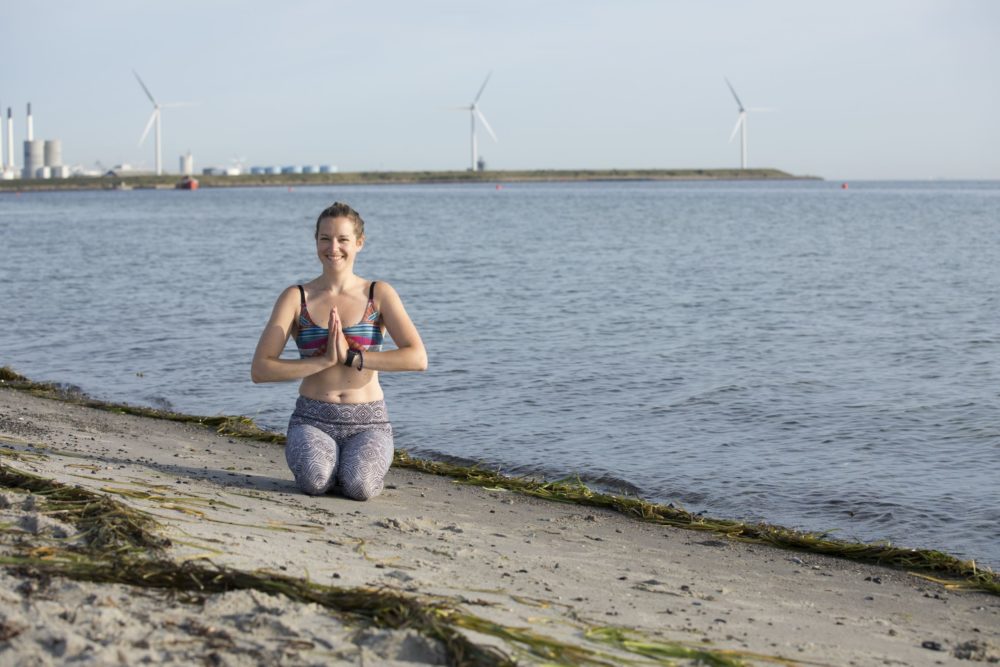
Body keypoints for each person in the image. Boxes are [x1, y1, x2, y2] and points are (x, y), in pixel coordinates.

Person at [251, 202, 427, 499]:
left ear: (359, 243)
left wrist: (352, 358)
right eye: (325, 238)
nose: (334, 247)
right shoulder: (296, 298)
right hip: (312, 419)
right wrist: (323, 360)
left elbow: (417, 358)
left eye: (343, 239)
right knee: (315, 482)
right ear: (316, 241)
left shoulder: (378, 294)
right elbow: (261, 369)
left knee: (360, 487)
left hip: (369, 422)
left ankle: (350, 469)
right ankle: (332, 467)